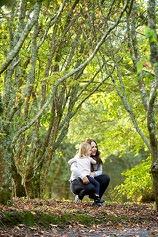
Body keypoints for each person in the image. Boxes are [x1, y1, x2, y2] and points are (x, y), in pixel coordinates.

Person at [68, 138, 110, 206]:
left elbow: (100, 171)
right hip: (77, 182)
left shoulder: (96, 158)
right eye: (92, 147)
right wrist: (83, 176)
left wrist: (93, 174)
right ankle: (79, 196)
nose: (95, 149)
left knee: (105, 178)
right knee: (91, 188)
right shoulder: (79, 156)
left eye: (96, 147)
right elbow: (73, 168)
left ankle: (97, 200)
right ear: (86, 148)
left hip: (90, 178)